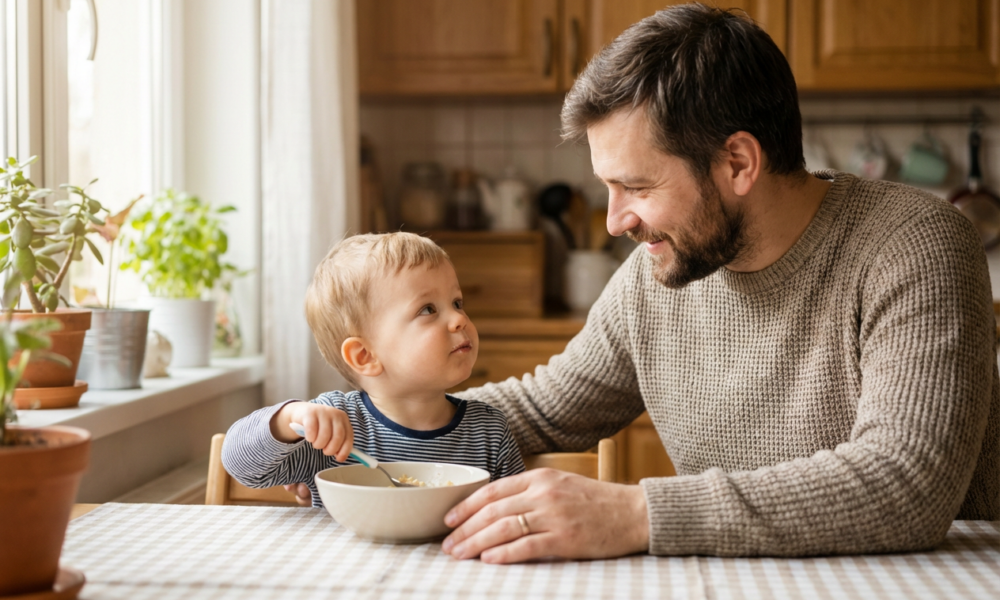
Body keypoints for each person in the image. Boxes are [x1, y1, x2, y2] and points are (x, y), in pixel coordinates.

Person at [282, 5, 998, 563]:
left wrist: (633, 513)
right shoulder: (658, 276)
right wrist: (364, 438)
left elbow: (908, 483)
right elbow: (536, 411)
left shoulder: (915, 245)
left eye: (635, 186)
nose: (616, 218)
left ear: (738, 163)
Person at [222, 232, 525, 507]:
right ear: (365, 355)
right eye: (428, 309)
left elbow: (511, 513)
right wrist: (290, 419)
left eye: (457, 303)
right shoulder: (334, 428)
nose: (459, 319)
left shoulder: (488, 431)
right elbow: (241, 466)